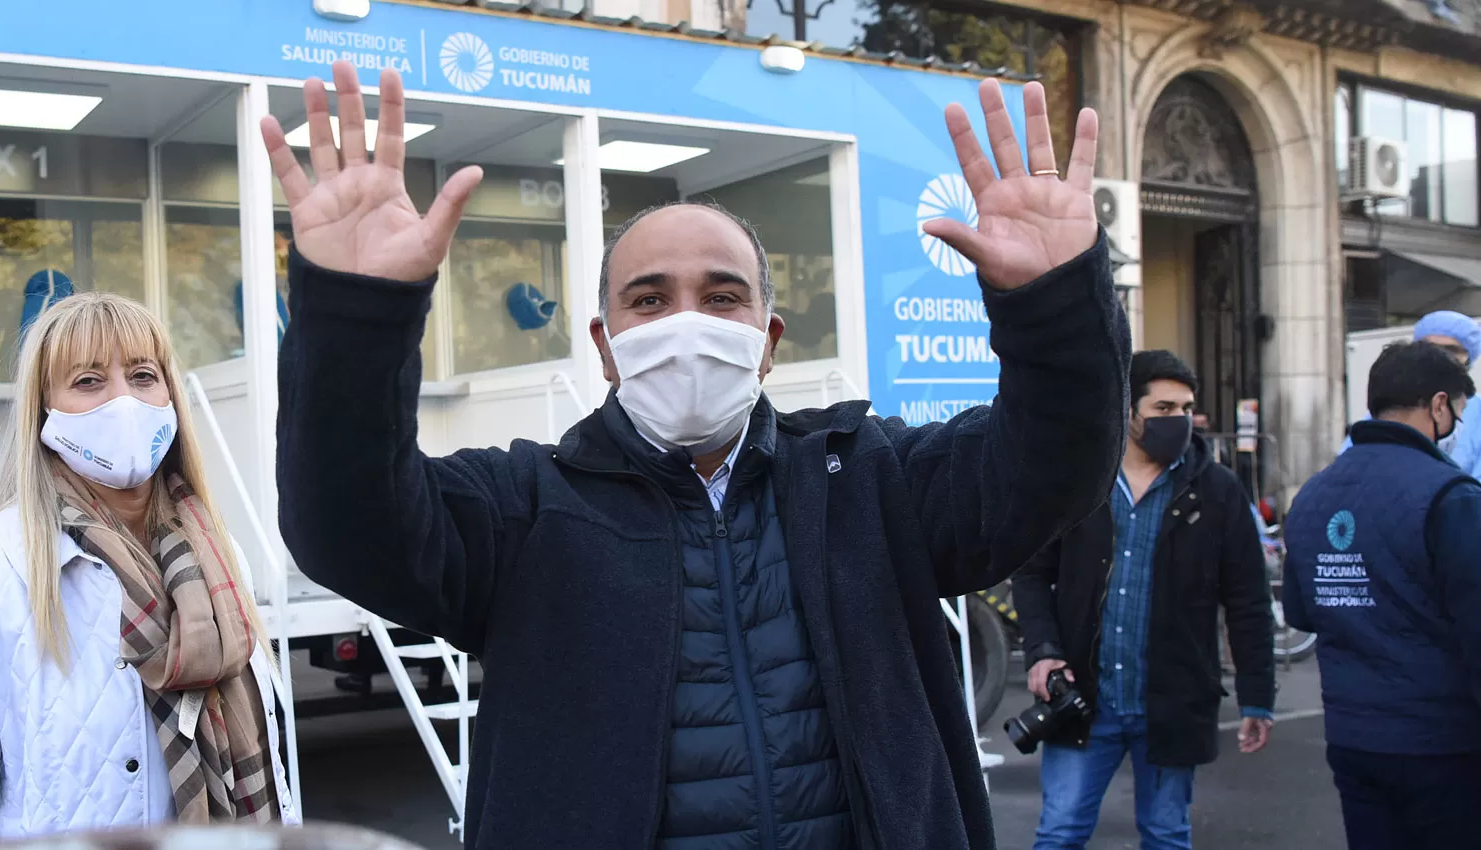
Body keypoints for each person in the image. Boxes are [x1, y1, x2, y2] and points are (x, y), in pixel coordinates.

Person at [266, 61, 1129, 850]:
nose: (687, 323)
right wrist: (357, 314)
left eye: (722, 297)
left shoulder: (867, 476)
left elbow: (1055, 466)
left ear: (767, 339)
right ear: (606, 347)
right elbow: (346, 522)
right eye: (650, 299)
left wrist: (1053, 305)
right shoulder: (523, 507)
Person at [0, 292, 298, 839]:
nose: (124, 401)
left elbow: (269, 743)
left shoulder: (219, 551)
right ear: (43, 409)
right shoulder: (1, 562)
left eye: (143, 376)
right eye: (88, 381)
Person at [1011, 350, 1275, 850]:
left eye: (1185, 408)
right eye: (1163, 409)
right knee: (1059, 834)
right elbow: (1030, 572)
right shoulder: (1080, 481)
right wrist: (1044, 650)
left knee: (1166, 835)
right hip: (1085, 703)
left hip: (1172, 705)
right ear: (1127, 409)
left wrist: (1257, 696)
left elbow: (1248, 600)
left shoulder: (1216, 491)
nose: (1178, 420)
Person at [1283, 340, 1481, 850]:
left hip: (1353, 737)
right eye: (1458, 412)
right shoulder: (1451, 495)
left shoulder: (1314, 494)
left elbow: (1302, 611)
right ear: (1438, 405)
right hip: (1443, 743)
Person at [1340, 310, 1480, 458]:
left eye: (1451, 350)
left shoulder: (1477, 415)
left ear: (1469, 358)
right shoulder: (1391, 406)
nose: (1440, 357)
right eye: (1431, 348)